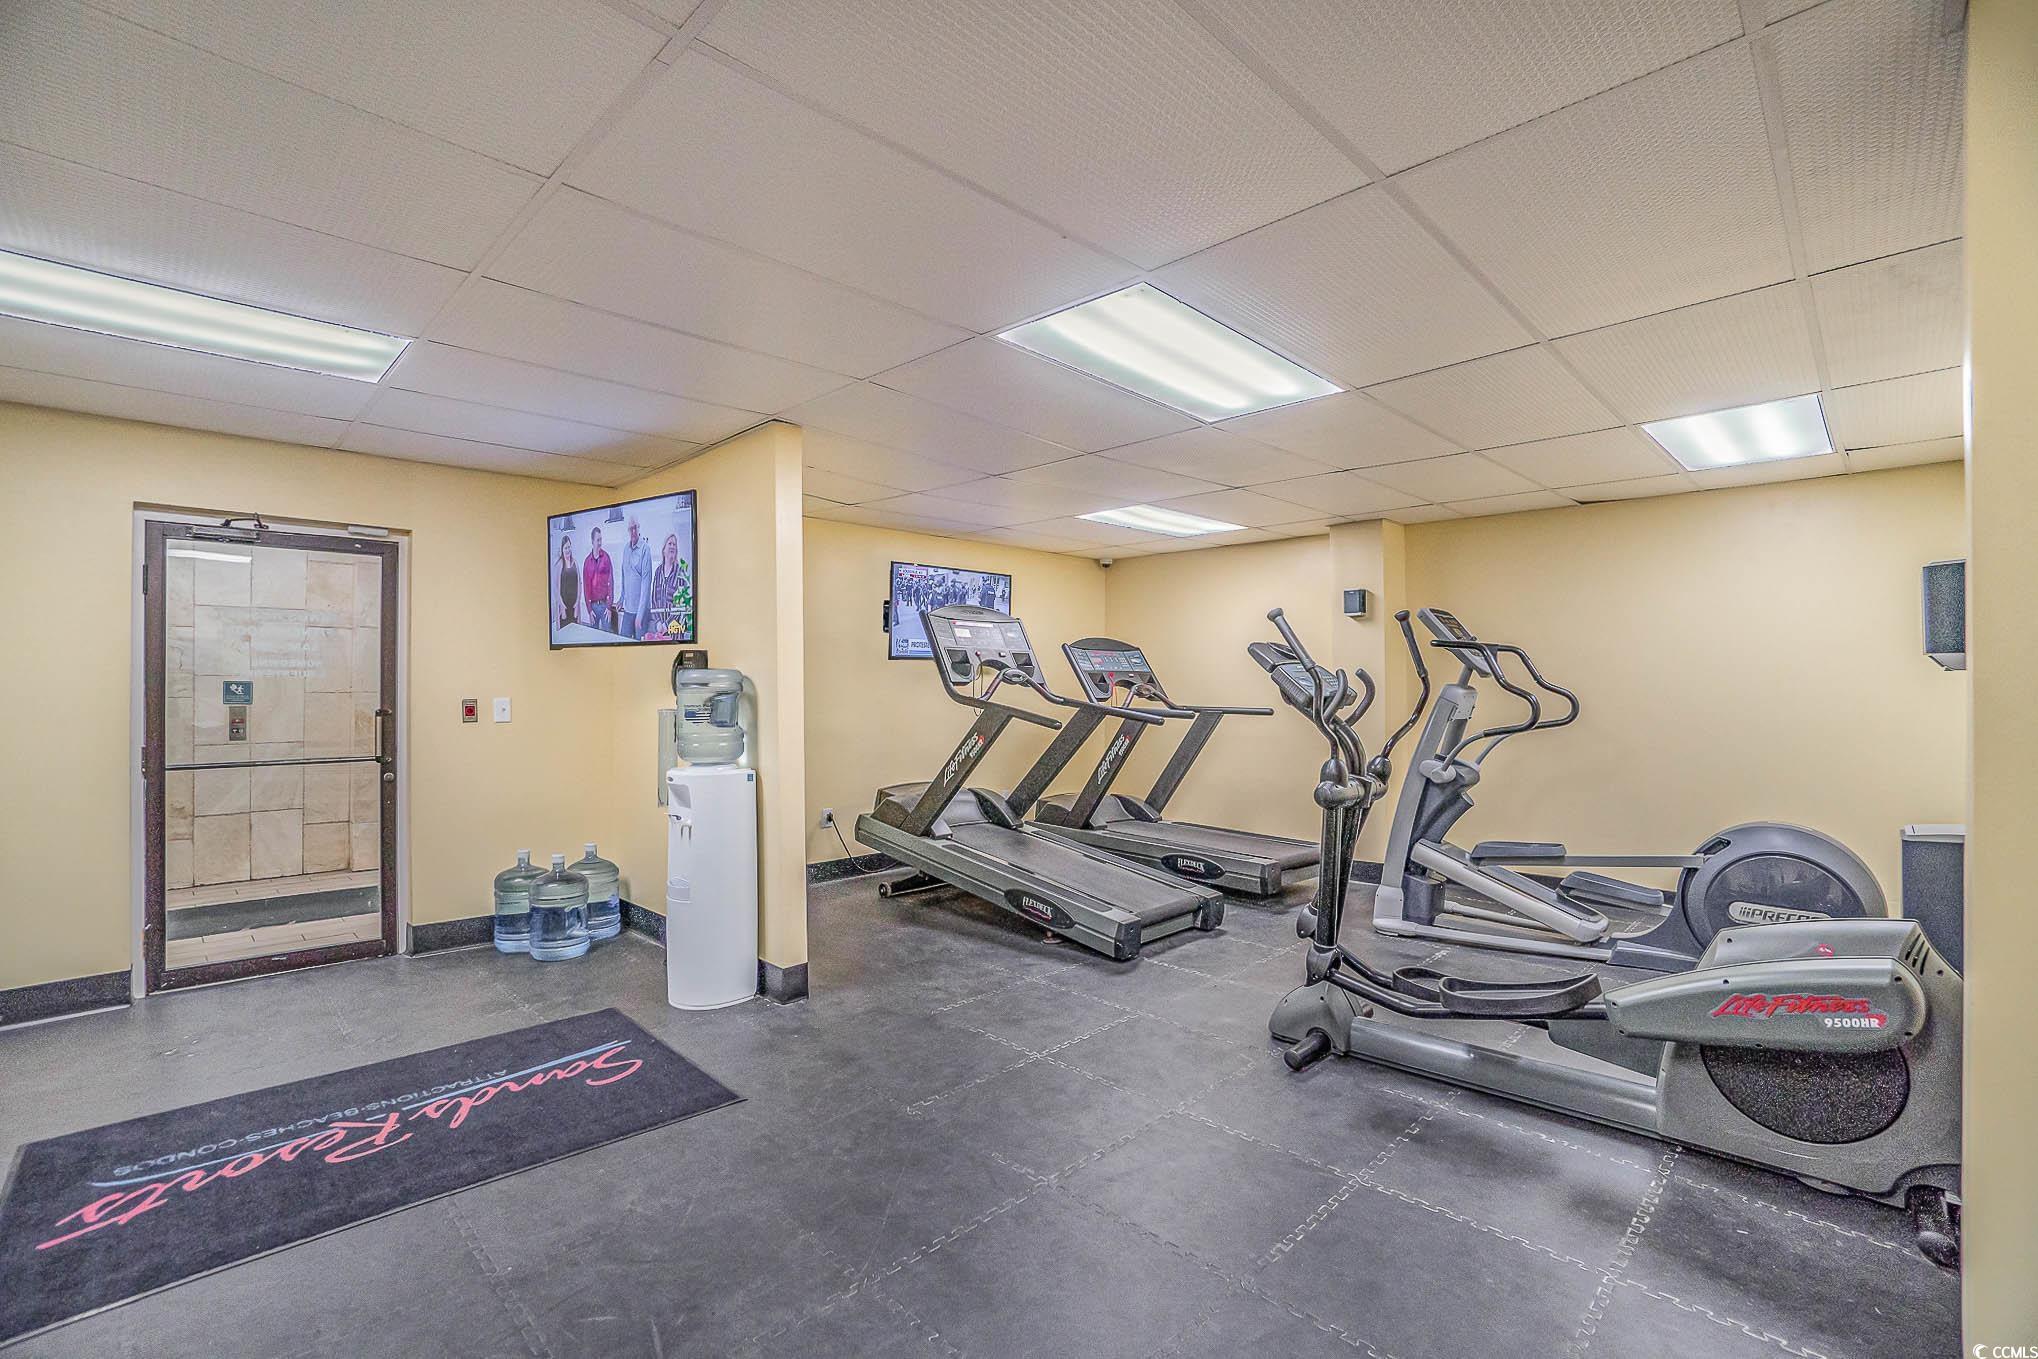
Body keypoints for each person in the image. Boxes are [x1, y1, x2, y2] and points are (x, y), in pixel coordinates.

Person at [619, 515, 655, 641]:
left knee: (640, 645)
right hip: (628, 610)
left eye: (635, 528)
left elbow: (646, 584)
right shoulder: (625, 549)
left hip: (642, 611)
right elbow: (624, 575)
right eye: (630, 529)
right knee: (622, 642)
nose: (633, 531)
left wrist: (640, 614)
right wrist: (621, 598)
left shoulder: (645, 549)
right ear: (628, 530)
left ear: (639, 528)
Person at [646, 534, 690, 639]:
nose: (672, 546)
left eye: (674, 544)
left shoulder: (680, 572)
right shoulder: (658, 572)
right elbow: (654, 600)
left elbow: (680, 605)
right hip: (659, 629)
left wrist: (666, 624)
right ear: (664, 549)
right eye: (670, 543)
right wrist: (658, 623)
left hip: (675, 630)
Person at [582, 526, 615, 633]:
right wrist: (589, 610)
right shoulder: (587, 562)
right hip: (593, 607)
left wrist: (609, 606)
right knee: (593, 637)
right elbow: (586, 588)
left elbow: (611, 582)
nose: (600, 542)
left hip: (605, 606)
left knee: (608, 637)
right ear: (592, 541)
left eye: (601, 539)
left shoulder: (606, 558)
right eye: (598, 540)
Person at [555, 537, 580, 630]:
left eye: (569, 547)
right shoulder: (559, 564)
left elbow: (579, 584)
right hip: (564, 606)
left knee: (575, 631)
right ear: (562, 549)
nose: (568, 550)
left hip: (574, 605)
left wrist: (577, 604)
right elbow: (556, 588)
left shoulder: (575, 563)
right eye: (565, 548)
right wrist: (562, 607)